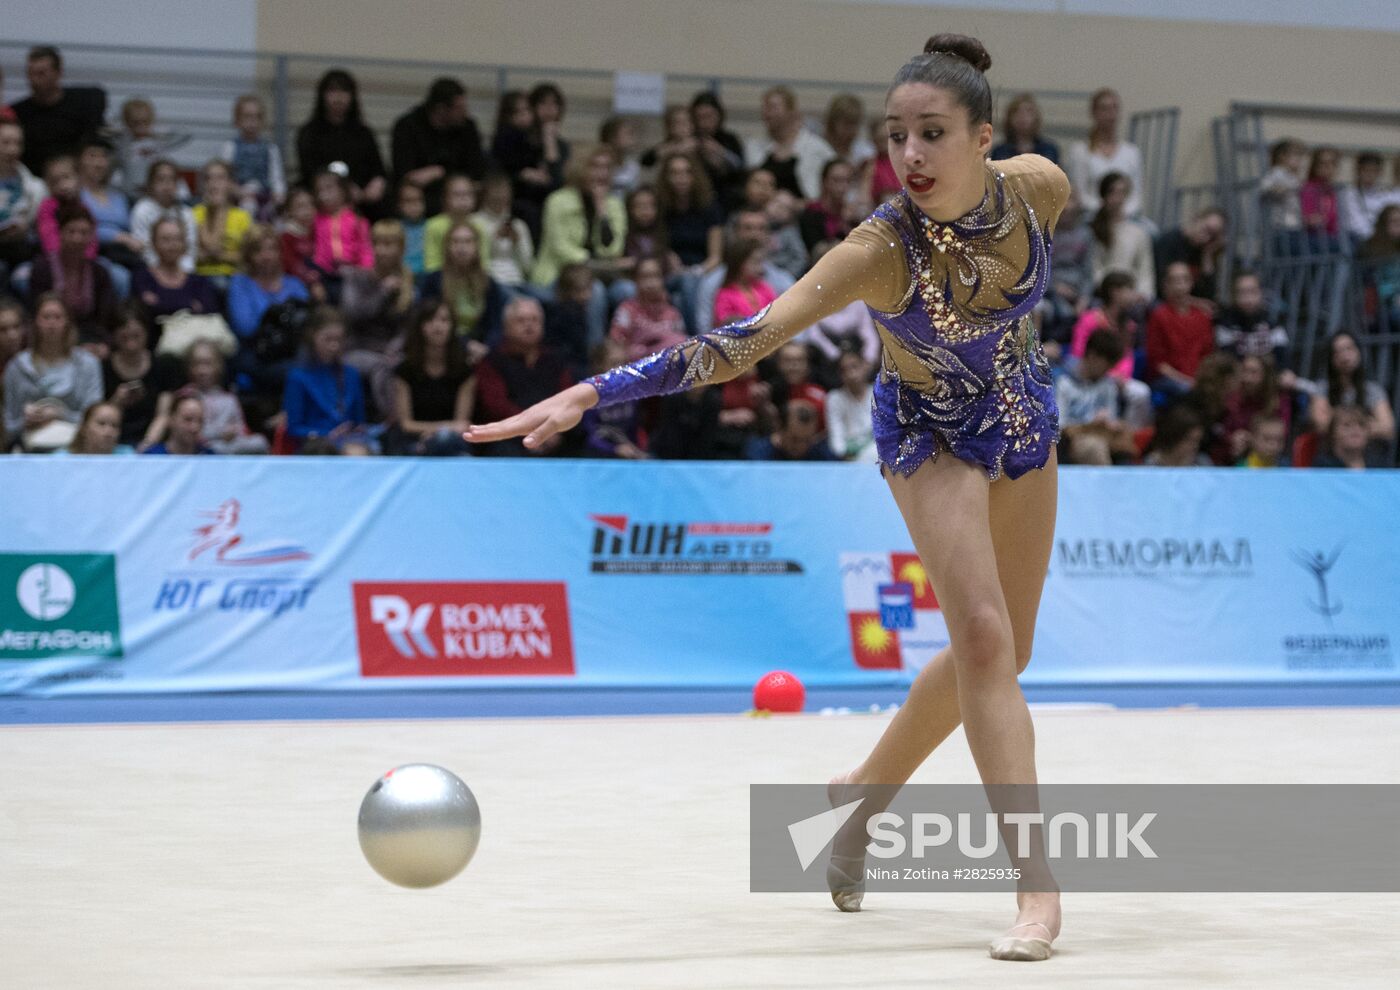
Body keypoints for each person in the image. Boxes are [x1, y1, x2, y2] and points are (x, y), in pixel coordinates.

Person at [468, 34, 1071, 961]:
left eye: (933, 134)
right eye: (895, 135)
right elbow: (741, 342)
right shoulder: (878, 249)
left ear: (983, 138)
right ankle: (1037, 895)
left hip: (1022, 413)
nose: (909, 154)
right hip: (929, 432)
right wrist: (594, 391)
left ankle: (862, 793)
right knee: (983, 640)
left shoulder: (1039, 187)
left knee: (1011, 649)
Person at [471, 295, 572, 457]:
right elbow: (495, 406)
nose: (529, 325)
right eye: (521, 320)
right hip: (508, 437)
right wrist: (534, 429)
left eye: (535, 320)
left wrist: (553, 428)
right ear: (506, 326)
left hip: (554, 433)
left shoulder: (556, 360)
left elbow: (568, 399)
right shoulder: (492, 361)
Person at [3, 293, 103, 452]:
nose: (51, 324)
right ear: (35, 322)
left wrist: (62, 414)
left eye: (57, 317)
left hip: (76, 449)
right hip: (28, 448)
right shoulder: (16, 366)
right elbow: (8, 426)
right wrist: (26, 420)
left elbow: (96, 420)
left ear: (68, 322)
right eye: (46, 317)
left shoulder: (88, 364)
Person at [389, 300, 475, 456]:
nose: (438, 326)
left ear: (452, 326)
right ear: (420, 326)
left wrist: (438, 432)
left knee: (447, 442)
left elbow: (462, 423)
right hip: (412, 440)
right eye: (430, 320)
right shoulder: (405, 370)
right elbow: (406, 424)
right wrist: (438, 429)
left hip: (451, 439)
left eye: (444, 320)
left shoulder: (464, 371)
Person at [295, 70, 387, 214]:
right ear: (322, 96)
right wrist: (344, 188)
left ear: (352, 97)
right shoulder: (309, 133)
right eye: (332, 91)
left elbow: (378, 168)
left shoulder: (364, 133)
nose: (338, 97)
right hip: (324, 195)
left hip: (362, 197)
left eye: (344, 91)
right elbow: (310, 172)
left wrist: (377, 183)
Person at [29, 202, 118, 350]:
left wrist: (102, 345)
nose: (77, 238)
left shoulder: (99, 272)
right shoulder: (42, 268)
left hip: (90, 337)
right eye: (71, 231)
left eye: (84, 233)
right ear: (60, 233)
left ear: (91, 236)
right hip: (51, 336)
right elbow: (35, 311)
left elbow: (105, 317)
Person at [391, 78, 487, 216]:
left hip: (456, 190)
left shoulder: (468, 127)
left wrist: (439, 171)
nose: (465, 112)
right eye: (459, 108)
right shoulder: (407, 126)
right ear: (441, 108)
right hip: (422, 194)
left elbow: (476, 169)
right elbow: (405, 172)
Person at [282, 307, 372, 450]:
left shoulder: (352, 375)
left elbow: (359, 420)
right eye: (328, 339)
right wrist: (327, 434)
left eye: (339, 340)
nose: (334, 346)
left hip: (350, 442)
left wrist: (354, 430)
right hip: (315, 446)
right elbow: (293, 428)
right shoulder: (298, 377)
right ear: (312, 336)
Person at [11, 46, 107, 175]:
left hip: (78, 178)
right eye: (30, 73)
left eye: (41, 73)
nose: (34, 80)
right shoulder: (19, 113)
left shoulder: (85, 102)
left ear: (58, 73)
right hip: (35, 183)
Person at [102, 301, 183, 449]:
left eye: (136, 336)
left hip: (153, 442)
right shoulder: (102, 367)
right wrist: (117, 402)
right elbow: (99, 418)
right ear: (114, 335)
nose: (131, 345)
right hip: (111, 442)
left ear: (146, 332)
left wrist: (146, 445)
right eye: (124, 338)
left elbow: (163, 415)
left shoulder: (164, 365)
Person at [420, 220, 507, 356]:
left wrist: (487, 348)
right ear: (447, 247)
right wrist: (466, 345)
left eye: (468, 242)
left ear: (477, 246)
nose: (462, 247)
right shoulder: (433, 281)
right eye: (455, 242)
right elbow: (427, 322)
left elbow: (496, 325)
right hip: (443, 347)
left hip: (481, 348)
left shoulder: (488, 282)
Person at [744, 86, 835, 201]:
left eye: (773, 107)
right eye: (765, 107)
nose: (766, 113)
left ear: (791, 111)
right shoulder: (754, 146)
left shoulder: (817, 148)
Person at [1308, 331, 1396, 448]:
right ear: (1331, 359)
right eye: (1337, 352)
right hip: (1332, 456)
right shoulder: (1322, 388)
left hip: (1368, 457)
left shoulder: (1373, 390)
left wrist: (1340, 422)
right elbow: (1321, 424)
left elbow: (1388, 428)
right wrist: (1365, 423)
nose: (1345, 356)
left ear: (1359, 352)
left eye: (1349, 348)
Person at [1065, 88, 1143, 216]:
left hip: (1125, 217)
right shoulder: (1080, 151)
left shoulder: (1132, 153)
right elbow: (1079, 193)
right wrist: (1104, 211)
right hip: (1090, 218)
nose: (1110, 114)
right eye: (1104, 109)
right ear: (1094, 113)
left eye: (1114, 108)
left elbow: (1136, 195)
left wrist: (1121, 213)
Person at [131, 217, 218, 330]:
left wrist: (160, 303)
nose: (172, 245)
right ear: (154, 243)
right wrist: (190, 305)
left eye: (177, 239)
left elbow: (209, 314)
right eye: (165, 239)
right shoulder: (142, 277)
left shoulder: (198, 281)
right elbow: (142, 314)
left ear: (185, 244)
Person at [226, 224, 311, 340]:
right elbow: (245, 328)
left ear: (280, 252)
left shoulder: (294, 284)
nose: (266, 256)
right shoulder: (240, 283)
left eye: (272, 249)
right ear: (248, 255)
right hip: (254, 351)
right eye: (258, 250)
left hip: (292, 350)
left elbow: (306, 324)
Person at [1146, 261, 1215, 400]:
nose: (1180, 286)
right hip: (1168, 379)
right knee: (1187, 390)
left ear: (1191, 283)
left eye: (1185, 280)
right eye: (1175, 281)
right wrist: (1187, 381)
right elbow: (1158, 364)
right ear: (1166, 285)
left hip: (1198, 377)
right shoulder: (1159, 316)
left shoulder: (1202, 317)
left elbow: (1208, 355)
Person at [76, 138, 143, 270]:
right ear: (80, 160)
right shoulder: (76, 194)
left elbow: (129, 228)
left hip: (123, 255)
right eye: (92, 156)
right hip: (91, 254)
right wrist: (117, 237)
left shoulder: (119, 197)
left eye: (103, 157)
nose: (98, 163)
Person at [109, 98, 190, 202]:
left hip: (154, 196)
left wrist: (155, 133)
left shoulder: (158, 143)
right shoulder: (123, 144)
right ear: (127, 122)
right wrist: (122, 131)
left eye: (145, 121)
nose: (141, 126)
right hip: (130, 195)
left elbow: (186, 134)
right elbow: (105, 135)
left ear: (151, 120)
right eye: (136, 122)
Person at [1088, 172, 1154, 299]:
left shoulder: (1139, 232)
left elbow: (1145, 269)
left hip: (1132, 293)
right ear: (1104, 196)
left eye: (1122, 192)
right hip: (1104, 294)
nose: (1117, 198)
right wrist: (1112, 291)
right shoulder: (1094, 230)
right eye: (1112, 192)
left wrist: (1142, 294)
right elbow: (1094, 268)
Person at [608, 255, 686, 362]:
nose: (651, 283)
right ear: (635, 280)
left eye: (655, 276)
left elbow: (681, 347)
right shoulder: (626, 310)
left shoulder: (673, 314)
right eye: (645, 277)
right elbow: (616, 346)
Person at [1213, 270, 1291, 376]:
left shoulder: (1273, 326)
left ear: (1261, 293)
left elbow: (1283, 362)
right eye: (1242, 292)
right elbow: (1228, 361)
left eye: (1252, 292)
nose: (1248, 299)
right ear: (1233, 296)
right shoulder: (1225, 326)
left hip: (1269, 382)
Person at [579, 339, 647, 459]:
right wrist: (614, 449)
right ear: (599, 365)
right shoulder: (588, 394)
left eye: (623, 363)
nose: (620, 370)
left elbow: (634, 430)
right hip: (597, 459)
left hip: (628, 456)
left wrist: (638, 450)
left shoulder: (632, 393)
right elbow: (590, 435)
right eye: (614, 363)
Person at [221, 94, 286, 217]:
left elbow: (276, 178)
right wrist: (238, 191)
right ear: (237, 120)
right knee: (247, 207)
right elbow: (225, 177)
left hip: (264, 197)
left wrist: (279, 194)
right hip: (239, 198)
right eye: (247, 116)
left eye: (257, 117)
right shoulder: (230, 147)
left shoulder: (270, 148)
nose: (252, 121)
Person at [129, 159, 197, 271]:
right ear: (151, 183)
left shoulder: (187, 213)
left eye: (171, 179)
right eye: (161, 179)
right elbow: (144, 250)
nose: (166, 185)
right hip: (152, 271)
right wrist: (163, 275)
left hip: (183, 273)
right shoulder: (142, 210)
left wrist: (182, 275)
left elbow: (191, 251)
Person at [193, 159, 253, 283]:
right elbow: (208, 250)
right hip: (200, 277)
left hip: (233, 278)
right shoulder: (193, 214)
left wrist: (209, 256)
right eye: (208, 179)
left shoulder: (242, 216)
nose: (214, 184)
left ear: (230, 184)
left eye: (220, 178)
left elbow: (247, 257)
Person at [474, 171, 535, 288]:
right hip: (491, 283)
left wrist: (517, 242)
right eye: (495, 195)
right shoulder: (474, 222)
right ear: (485, 195)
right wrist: (493, 238)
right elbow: (476, 263)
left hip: (518, 282)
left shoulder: (518, 225)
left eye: (504, 194)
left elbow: (528, 267)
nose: (500, 197)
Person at [0, 120, 46, 272]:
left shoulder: (36, 187)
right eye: (5, 143)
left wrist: (26, 230)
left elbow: (44, 229)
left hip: (22, 254)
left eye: (17, 143)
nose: (12, 149)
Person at [422, 173, 491, 273]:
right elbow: (431, 263)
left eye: (468, 194)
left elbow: (484, 263)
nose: (463, 199)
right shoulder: (433, 226)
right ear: (446, 198)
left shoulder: (480, 226)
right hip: (442, 281)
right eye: (457, 194)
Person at [1153, 206, 1225, 301]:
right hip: (1165, 303)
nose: (1207, 238)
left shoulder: (1205, 250)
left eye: (1213, 236)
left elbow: (1209, 294)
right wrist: (1195, 302)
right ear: (1197, 220)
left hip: (1190, 307)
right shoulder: (1169, 241)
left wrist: (1208, 255)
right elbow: (1164, 287)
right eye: (1206, 229)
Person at [311, 169, 373, 278]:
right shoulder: (317, 220)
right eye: (319, 191)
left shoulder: (357, 219)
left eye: (329, 188)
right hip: (325, 273)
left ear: (343, 190)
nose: (323, 195)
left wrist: (366, 268)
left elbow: (365, 248)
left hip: (354, 272)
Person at [825, 349, 876, 461]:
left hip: (876, 452)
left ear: (865, 366)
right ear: (840, 375)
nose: (851, 374)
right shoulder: (834, 398)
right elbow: (836, 437)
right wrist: (844, 452)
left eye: (855, 367)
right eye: (845, 370)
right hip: (848, 457)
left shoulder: (879, 394)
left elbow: (885, 431)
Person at [744, 397, 834, 461]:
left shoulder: (821, 455)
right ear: (779, 428)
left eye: (807, 440)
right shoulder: (758, 454)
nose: (801, 447)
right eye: (795, 439)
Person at [1259, 138, 1306, 256]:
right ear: (1282, 156)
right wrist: (1284, 189)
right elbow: (1265, 188)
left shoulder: (1292, 176)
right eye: (1296, 155)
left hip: (1293, 226)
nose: (1299, 160)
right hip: (1280, 228)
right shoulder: (1276, 173)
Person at [799, 159, 857, 254]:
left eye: (847, 181)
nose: (843, 186)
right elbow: (817, 251)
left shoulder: (854, 215)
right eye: (837, 180)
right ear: (825, 181)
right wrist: (842, 225)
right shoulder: (812, 213)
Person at [990, 93, 1059, 165]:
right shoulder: (1000, 151)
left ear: (1036, 117)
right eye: (1017, 112)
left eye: (1028, 112)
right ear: (1010, 117)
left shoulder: (1049, 150)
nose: (1022, 116)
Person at [1339, 151, 1390, 245]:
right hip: (1357, 240)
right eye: (1366, 170)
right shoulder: (1349, 194)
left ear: (1380, 172)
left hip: (1382, 241)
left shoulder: (1385, 195)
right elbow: (1355, 225)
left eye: (1374, 171)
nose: (1370, 174)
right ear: (1358, 171)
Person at [142, 389, 213, 455]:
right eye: (188, 419)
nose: (195, 427)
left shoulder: (211, 458)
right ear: (171, 419)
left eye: (200, 421)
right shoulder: (152, 457)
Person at [1142, 401, 1209, 466]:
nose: (1195, 446)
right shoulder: (1153, 463)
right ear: (1174, 437)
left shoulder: (1202, 462)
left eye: (1197, 440)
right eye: (1188, 439)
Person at [1312, 404, 1377, 469]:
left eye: (1361, 425)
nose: (1356, 430)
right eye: (1347, 425)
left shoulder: (1379, 463)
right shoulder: (1323, 466)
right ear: (1333, 433)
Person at [1300, 147, 1341, 249]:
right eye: (1323, 163)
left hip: (1332, 237)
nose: (1328, 167)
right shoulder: (1309, 189)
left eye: (1332, 163)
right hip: (1313, 239)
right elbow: (1309, 219)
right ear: (1315, 166)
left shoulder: (1334, 191)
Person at [64, 400, 130, 454]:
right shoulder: (61, 459)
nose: (109, 431)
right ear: (84, 428)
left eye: (115, 425)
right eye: (101, 423)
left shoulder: (128, 456)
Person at [395, 180, 429, 277]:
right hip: (401, 278)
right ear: (399, 205)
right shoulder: (395, 229)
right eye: (408, 201)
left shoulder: (431, 227)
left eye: (419, 200)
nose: (414, 205)